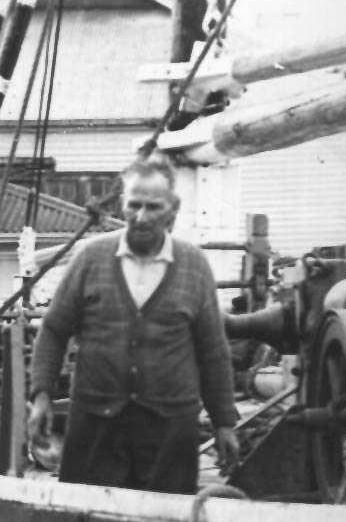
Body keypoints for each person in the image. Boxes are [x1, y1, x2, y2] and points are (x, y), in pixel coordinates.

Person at [27, 155, 240, 494]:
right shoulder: (91, 259)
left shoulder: (195, 267)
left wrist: (224, 423)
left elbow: (213, 351)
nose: (141, 217)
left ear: (173, 208)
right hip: (96, 426)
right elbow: (53, 330)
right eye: (133, 205)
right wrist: (41, 397)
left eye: (153, 207)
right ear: (122, 206)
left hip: (170, 433)